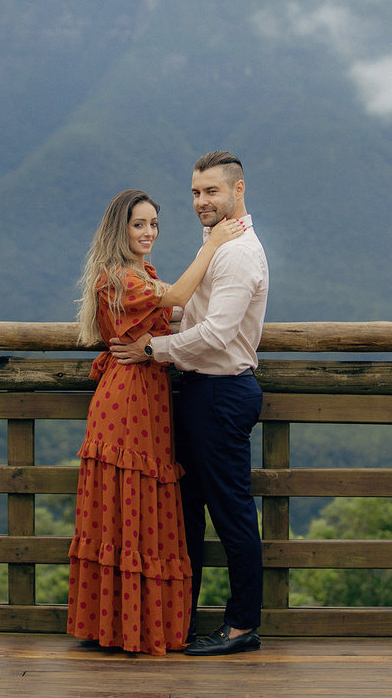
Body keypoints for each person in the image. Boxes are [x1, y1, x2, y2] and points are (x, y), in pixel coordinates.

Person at [67, 188, 245, 655]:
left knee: (134, 508)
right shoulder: (124, 279)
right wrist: (213, 244)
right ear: (119, 229)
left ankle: (129, 623)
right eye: (139, 224)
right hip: (129, 399)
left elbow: (176, 307)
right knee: (132, 505)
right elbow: (180, 295)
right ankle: (128, 626)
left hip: (143, 395)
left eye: (154, 225)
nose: (148, 233)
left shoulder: (135, 273)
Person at [110, 151, 269, 657]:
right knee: (186, 513)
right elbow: (190, 310)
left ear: (238, 190)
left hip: (222, 392)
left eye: (212, 192)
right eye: (196, 193)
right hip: (201, 392)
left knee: (231, 513)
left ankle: (242, 625)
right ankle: (177, 621)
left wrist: (154, 350)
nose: (201, 202)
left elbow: (219, 334)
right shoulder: (217, 243)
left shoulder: (239, 253)